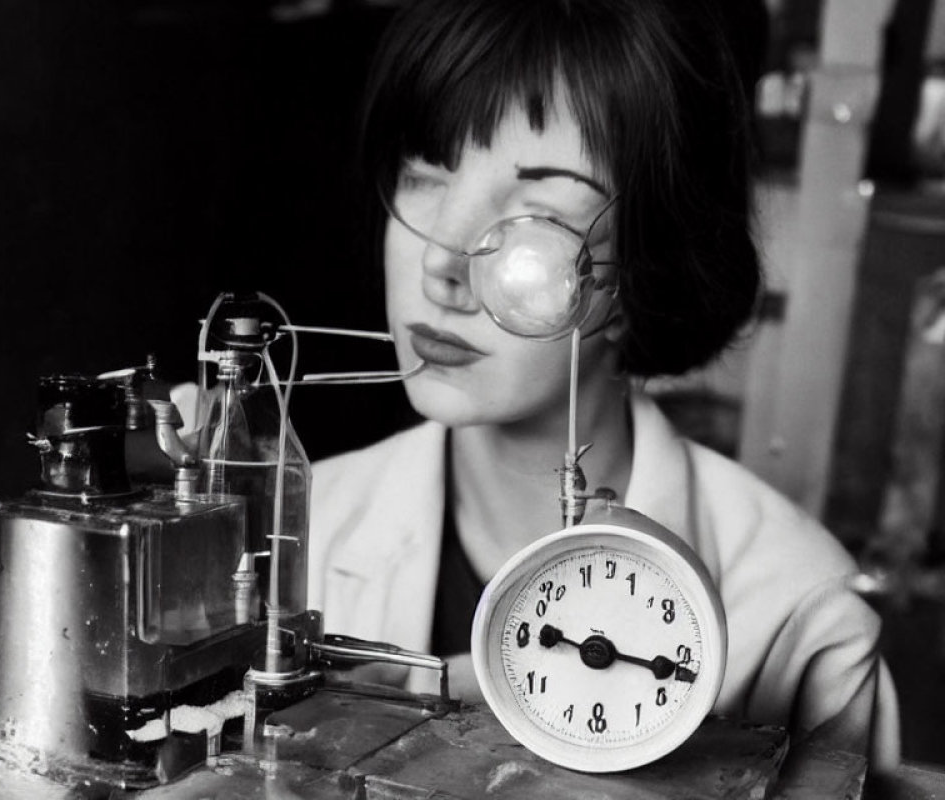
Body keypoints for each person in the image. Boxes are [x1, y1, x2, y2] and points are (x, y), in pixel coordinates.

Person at [306, 0, 900, 771]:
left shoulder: (799, 617)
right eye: (425, 175)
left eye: (535, 215)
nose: (440, 266)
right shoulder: (302, 530)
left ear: (646, 266)